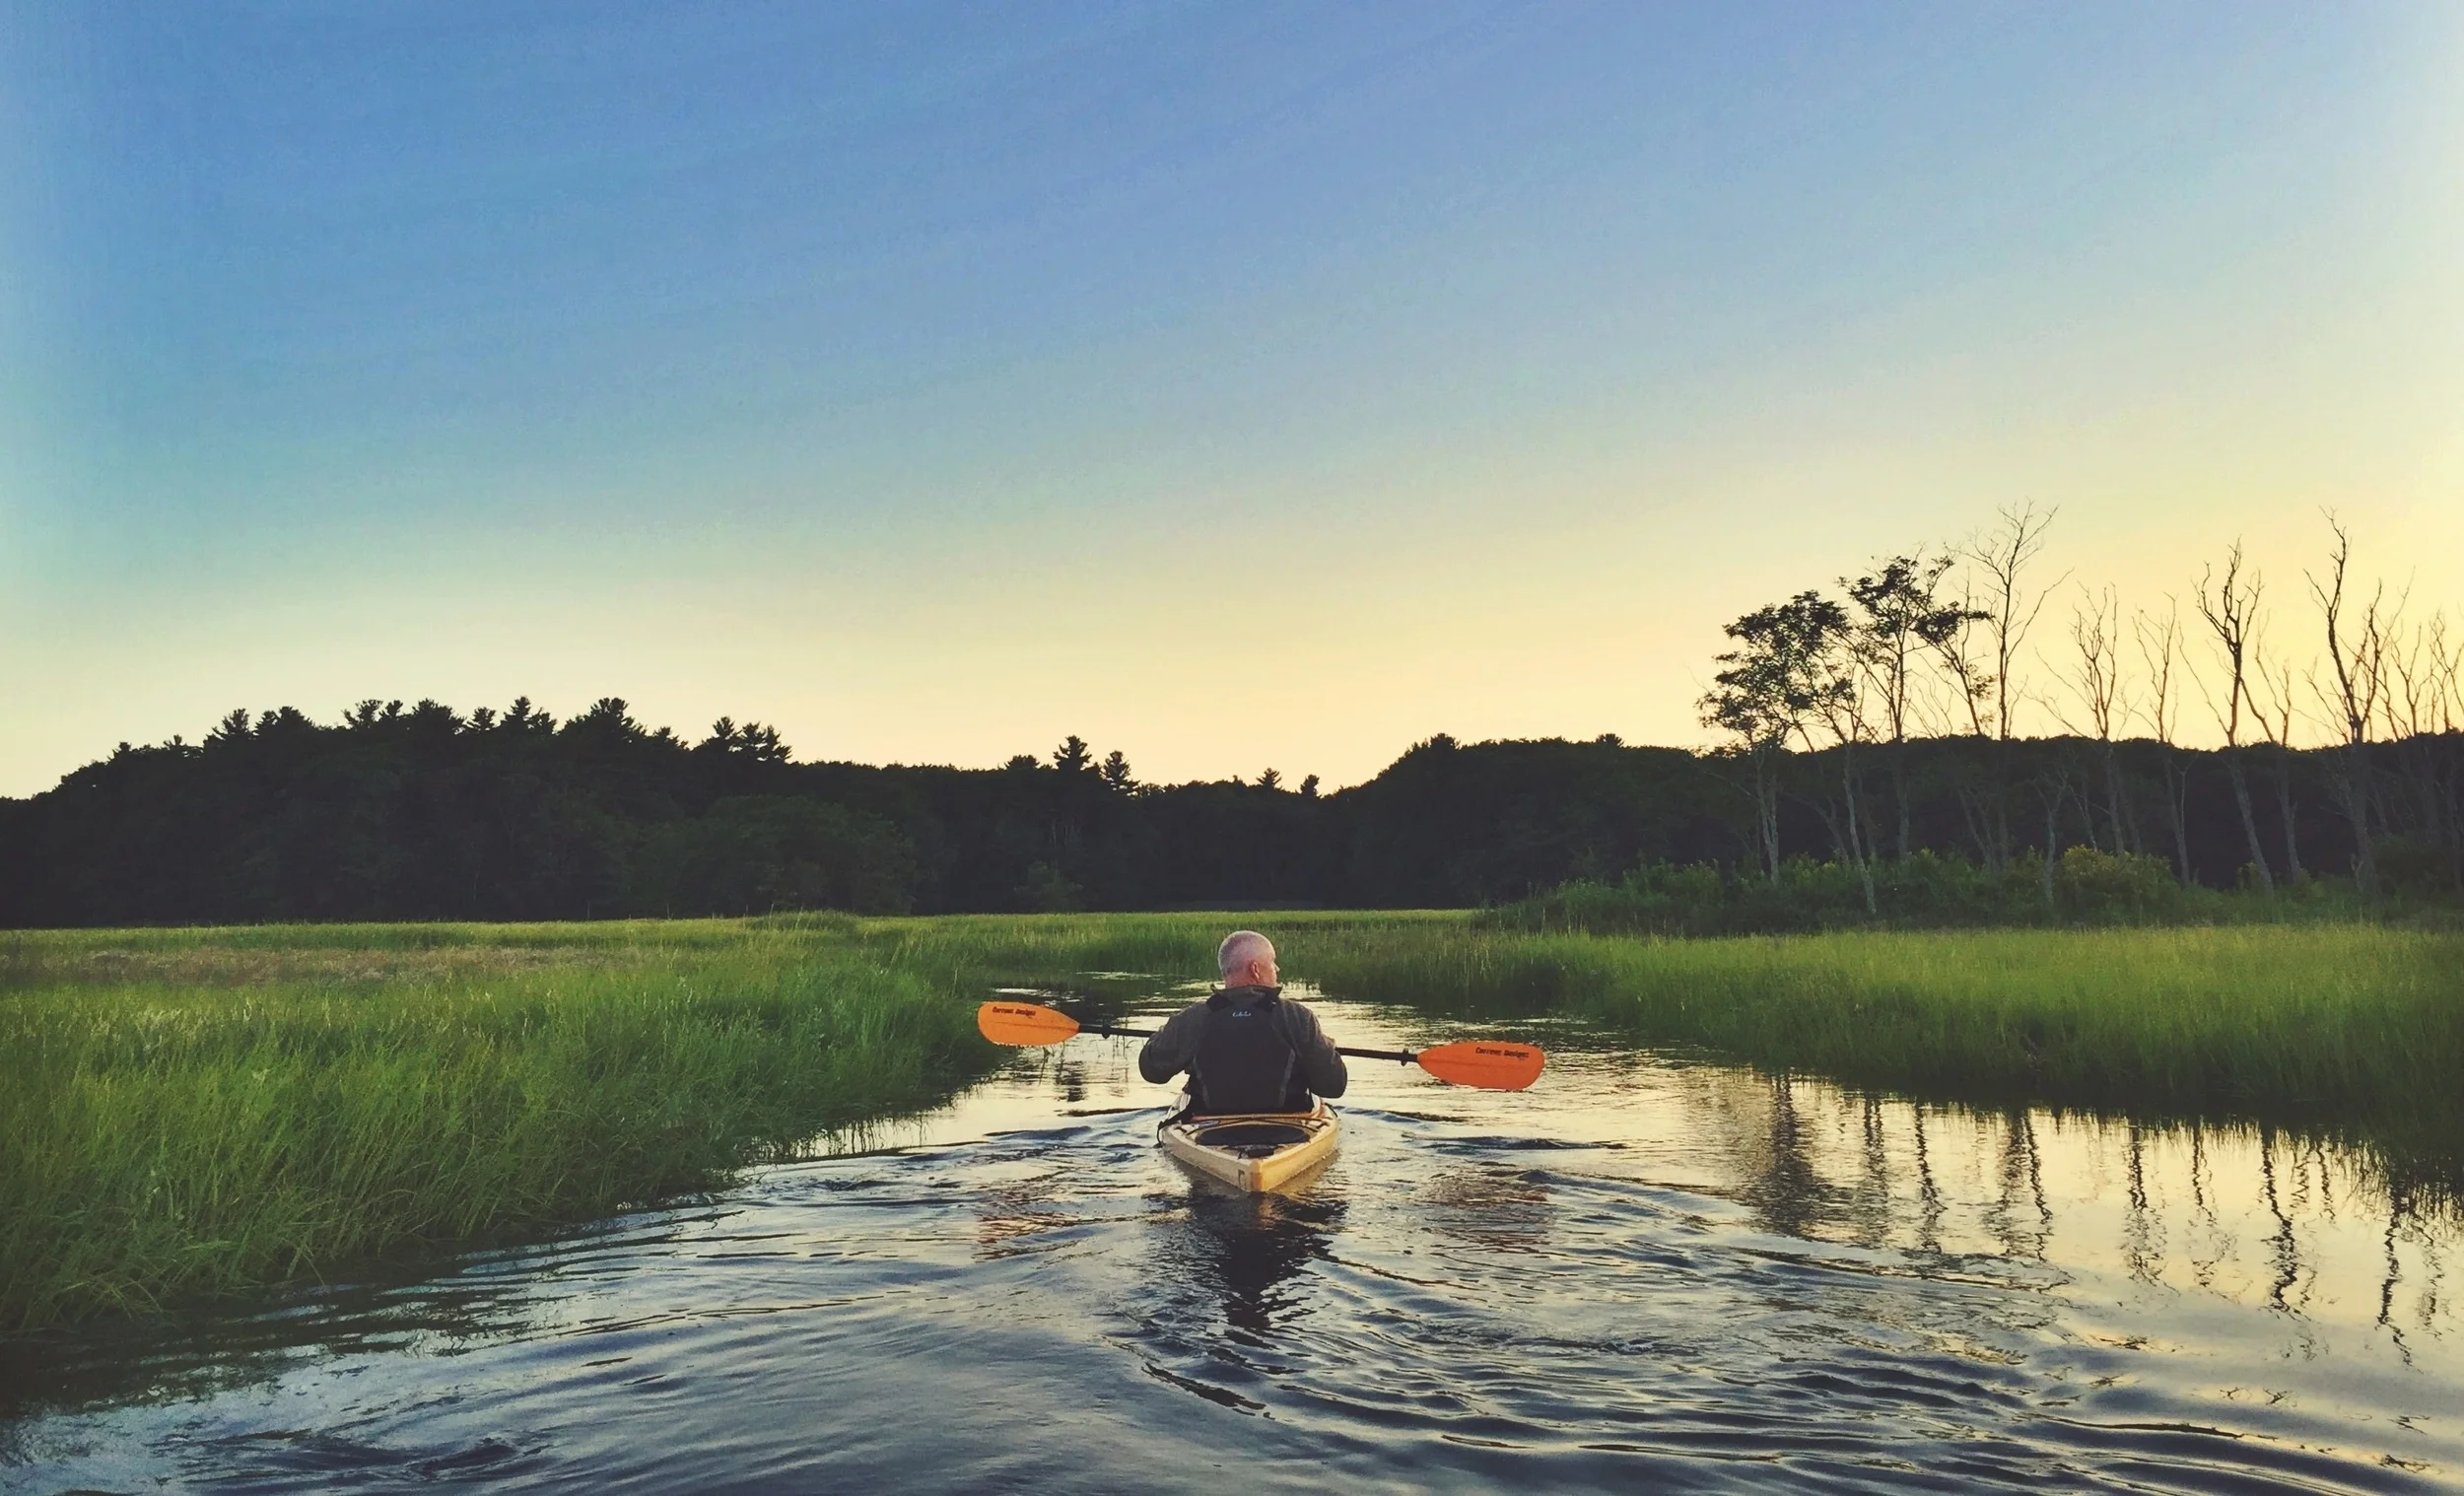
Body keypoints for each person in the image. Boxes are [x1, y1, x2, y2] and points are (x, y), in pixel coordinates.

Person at [1138, 930, 1347, 1117]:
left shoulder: (1193, 1018)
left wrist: (1162, 1035)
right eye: (1272, 962)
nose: (1277, 968)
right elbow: (1334, 1086)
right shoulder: (1297, 1017)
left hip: (1211, 1135)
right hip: (1287, 1132)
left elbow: (1152, 1071)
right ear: (1255, 969)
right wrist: (1326, 1047)